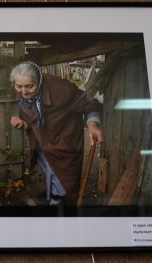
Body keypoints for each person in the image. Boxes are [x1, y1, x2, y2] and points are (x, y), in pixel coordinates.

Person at [10, 61, 103, 205]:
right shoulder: (20, 88)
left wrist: (92, 124)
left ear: (39, 81)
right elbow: (31, 113)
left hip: (63, 142)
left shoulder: (63, 90)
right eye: (19, 87)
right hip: (41, 142)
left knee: (64, 179)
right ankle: (53, 198)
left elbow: (92, 103)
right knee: (49, 173)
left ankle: (58, 207)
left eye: (29, 86)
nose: (23, 91)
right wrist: (23, 122)